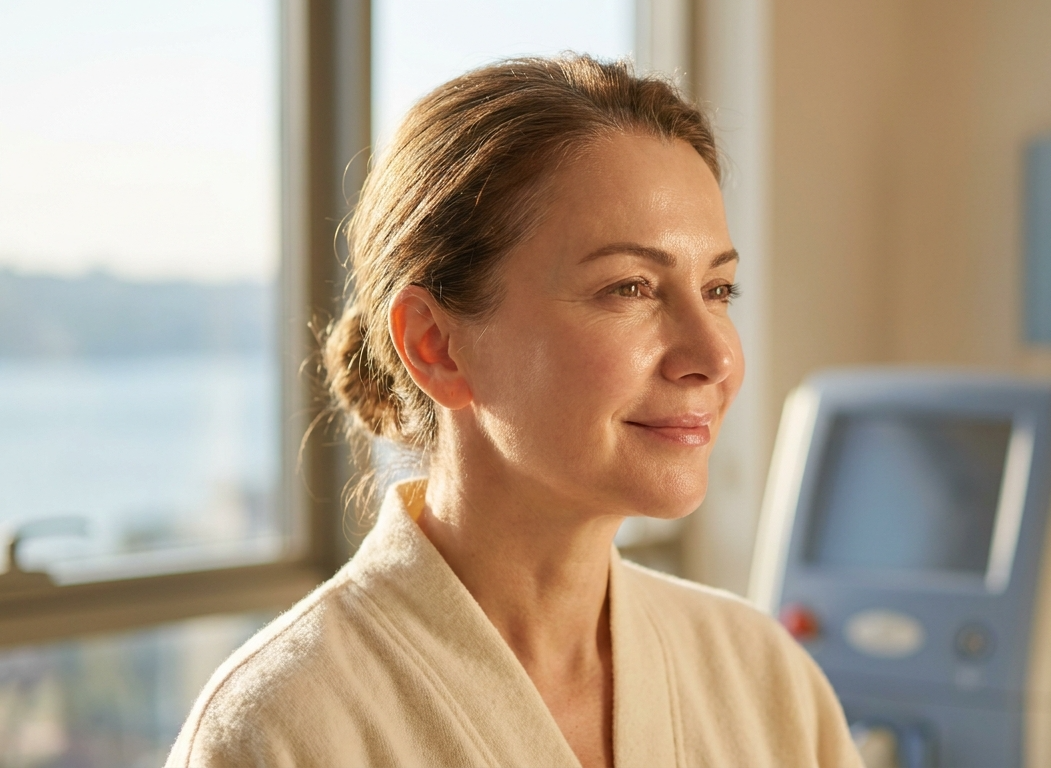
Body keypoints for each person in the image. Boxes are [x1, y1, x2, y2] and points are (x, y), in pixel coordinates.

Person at [166, 56, 862, 768]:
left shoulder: (763, 680)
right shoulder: (281, 731)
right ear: (435, 345)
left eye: (719, 291)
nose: (714, 358)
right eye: (630, 288)